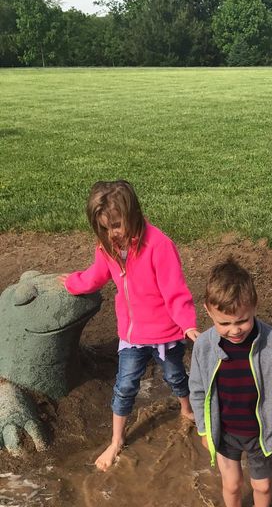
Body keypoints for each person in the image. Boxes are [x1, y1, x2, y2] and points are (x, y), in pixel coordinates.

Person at [60, 180, 199, 471]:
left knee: (175, 377)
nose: (113, 233)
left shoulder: (159, 245)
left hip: (166, 334)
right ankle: (117, 440)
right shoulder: (108, 248)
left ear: (134, 214)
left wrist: (187, 324)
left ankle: (187, 410)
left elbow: (176, 291)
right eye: (105, 227)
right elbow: (96, 276)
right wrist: (73, 283)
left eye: (118, 225)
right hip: (132, 336)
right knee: (124, 387)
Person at [189, 259, 272, 507]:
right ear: (208, 312)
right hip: (225, 431)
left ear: (254, 306)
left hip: (259, 431)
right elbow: (198, 390)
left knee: (263, 484)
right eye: (225, 323)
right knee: (231, 485)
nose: (235, 330)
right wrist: (203, 430)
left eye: (243, 320)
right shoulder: (204, 346)